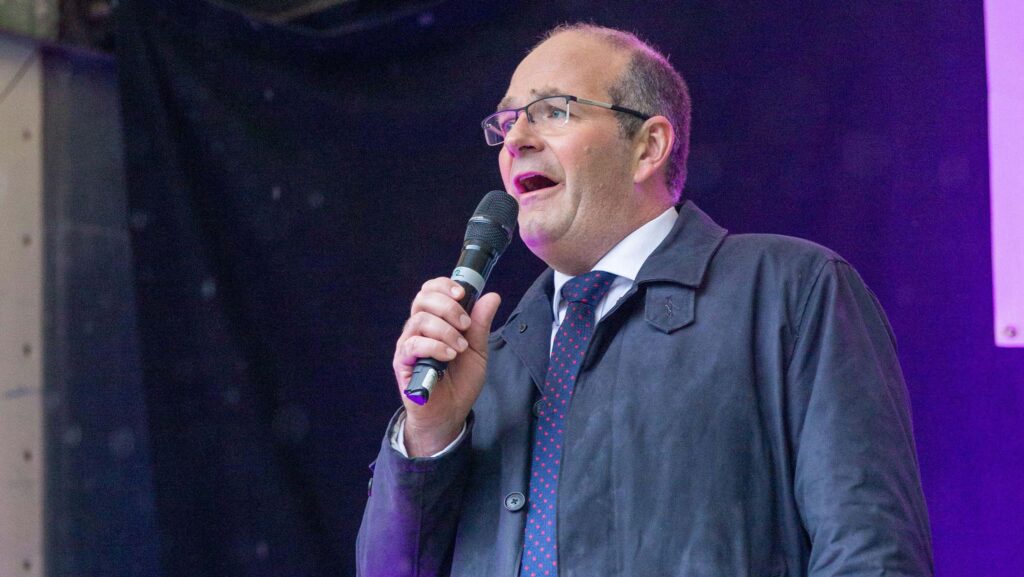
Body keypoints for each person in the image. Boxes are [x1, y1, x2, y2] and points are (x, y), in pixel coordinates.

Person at [357, 23, 933, 577]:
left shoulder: (790, 291)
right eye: (507, 121)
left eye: (554, 111)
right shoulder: (486, 363)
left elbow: (872, 553)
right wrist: (429, 439)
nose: (516, 141)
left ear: (648, 145)